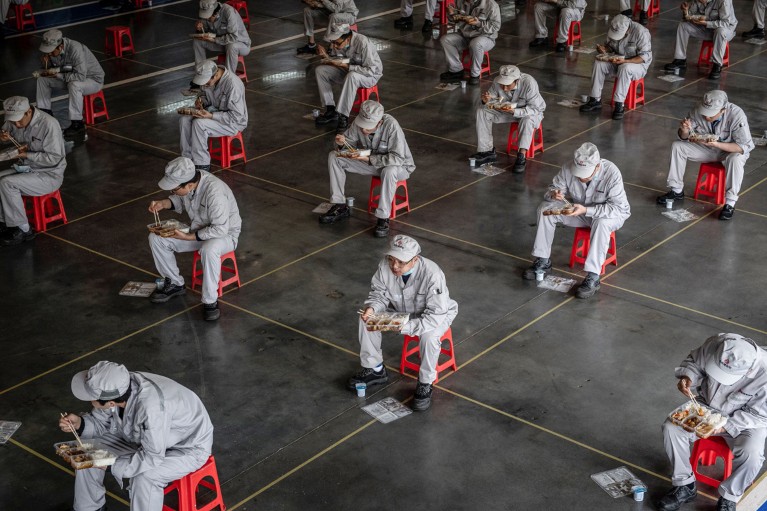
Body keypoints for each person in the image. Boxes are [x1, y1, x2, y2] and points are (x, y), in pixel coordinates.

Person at [60, 360, 214, 511]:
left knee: (145, 476)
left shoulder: (151, 408)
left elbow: (152, 457)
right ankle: (90, 508)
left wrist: (111, 465)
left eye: (91, 397)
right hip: (145, 440)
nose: (89, 400)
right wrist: (79, 424)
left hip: (186, 448)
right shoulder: (119, 386)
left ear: (111, 403)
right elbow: (101, 422)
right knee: (87, 451)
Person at [657, 333, 767, 511]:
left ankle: (730, 496)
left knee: (752, 454)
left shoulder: (765, 373)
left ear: (747, 371)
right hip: (708, 406)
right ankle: (685, 484)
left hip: (747, 420)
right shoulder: (718, 343)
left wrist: (723, 426)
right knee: (671, 428)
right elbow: (695, 361)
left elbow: (760, 415)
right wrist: (688, 377)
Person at [348, 234, 458, 411]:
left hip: (434, 315)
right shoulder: (385, 266)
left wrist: (406, 327)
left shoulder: (433, 274)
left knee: (429, 337)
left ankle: (425, 382)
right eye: (391, 259)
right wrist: (373, 308)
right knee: (367, 320)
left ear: (414, 260)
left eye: (401, 262)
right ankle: (375, 369)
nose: (394, 266)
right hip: (401, 310)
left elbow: (435, 315)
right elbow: (379, 294)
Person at [523, 142, 630, 299]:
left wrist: (587, 210)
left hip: (609, 215)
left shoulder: (612, 173)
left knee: (601, 223)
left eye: (585, 173)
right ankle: (543, 261)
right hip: (580, 211)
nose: (580, 177)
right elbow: (552, 189)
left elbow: (617, 208)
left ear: (597, 167)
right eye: (578, 172)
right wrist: (554, 194)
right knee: (545, 209)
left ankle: (593, 277)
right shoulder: (568, 168)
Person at [147, 157, 241, 321]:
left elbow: (220, 228)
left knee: (209, 249)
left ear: (189, 185)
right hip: (198, 230)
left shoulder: (214, 192)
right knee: (156, 238)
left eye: (174, 189)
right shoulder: (191, 182)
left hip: (224, 235)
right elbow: (180, 199)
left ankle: (210, 301)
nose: (172, 192)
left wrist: (189, 237)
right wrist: (163, 203)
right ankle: (175, 283)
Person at [319, 100, 415, 238]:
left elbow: (398, 158)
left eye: (368, 127)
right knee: (334, 156)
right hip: (372, 162)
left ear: (380, 122)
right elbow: (348, 142)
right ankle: (339, 205)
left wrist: (369, 158)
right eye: (362, 125)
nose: (364, 130)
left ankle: (383, 218)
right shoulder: (358, 123)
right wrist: (340, 144)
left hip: (399, 167)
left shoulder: (392, 126)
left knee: (389, 171)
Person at [656, 90, 753, 221]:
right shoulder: (697, 110)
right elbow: (685, 137)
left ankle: (730, 203)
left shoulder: (736, 115)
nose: (707, 117)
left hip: (731, 150)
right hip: (709, 149)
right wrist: (684, 129)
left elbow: (743, 146)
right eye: (705, 113)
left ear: (723, 110)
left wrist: (717, 144)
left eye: (711, 114)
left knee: (735, 159)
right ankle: (676, 190)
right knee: (677, 146)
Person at [0, 96, 66, 246]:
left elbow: (54, 158)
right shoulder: (14, 121)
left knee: (7, 183)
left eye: (18, 120)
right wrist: (2, 137)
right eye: (12, 121)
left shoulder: (49, 124)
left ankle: (24, 230)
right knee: (2, 181)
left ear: (29, 112)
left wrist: (26, 155)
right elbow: (4, 132)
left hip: (49, 174)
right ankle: (4, 223)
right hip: (25, 168)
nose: (16, 124)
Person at [470, 64, 546, 173]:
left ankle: (521, 156)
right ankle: (486, 151)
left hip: (530, 112)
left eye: (507, 85)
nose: (504, 88)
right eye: (502, 85)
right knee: (482, 111)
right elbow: (490, 100)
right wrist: (485, 100)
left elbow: (536, 108)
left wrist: (516, 111)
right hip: (508, 112)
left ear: (517, 80)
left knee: (527, 120)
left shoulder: (529, 83)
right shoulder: (497, 81)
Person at [579, 14, 652, 120]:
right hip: (618, 60)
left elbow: (643, 57)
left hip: (638, 65)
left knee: (625, 68)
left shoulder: (641, 33)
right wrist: (604, 49)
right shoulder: (613, 28)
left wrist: (625, 61)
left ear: (627, 30)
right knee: (598, 63)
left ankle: (619, 105)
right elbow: (610, 46)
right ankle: (595, 100)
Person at [36, 29, 104, 140]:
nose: (49, 54)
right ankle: (46, 116)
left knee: (74, 85)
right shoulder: (52, 52)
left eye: (52, 51)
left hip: (92, 80)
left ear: (60, 46)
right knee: (42, 79)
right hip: (69, 79)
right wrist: (46, 65)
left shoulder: (75, 49)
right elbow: (57, 70)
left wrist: (58, 75)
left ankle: (77, 124)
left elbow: (80, 76)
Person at [179, 60, 248, 172]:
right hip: (213, 112)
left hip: (233, 123)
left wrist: (211, 116)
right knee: (184, 119)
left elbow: (236, 116)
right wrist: (201, 102)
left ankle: (202, 165)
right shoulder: (209, 79)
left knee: (199, 124)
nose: (204, 85)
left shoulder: (232, 85)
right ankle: (187, 159)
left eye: (206, 82)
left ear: (215, 75)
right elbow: (205, 95)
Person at [314, 23, 383, 133]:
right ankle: (331, 110)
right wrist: (325, 56)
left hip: (369, 76)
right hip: (350, 70)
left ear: (348, 38)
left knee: (352, 76)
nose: (334, 46)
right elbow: (336, 59)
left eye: (337, 43)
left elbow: (370, 70)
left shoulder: (363, 42)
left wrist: (347, 66)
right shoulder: (339, 43)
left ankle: (343, 116)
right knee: (320, 70)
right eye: (332, 43)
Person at [663, 0, 737, 80]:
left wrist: (706, 23)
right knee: (683, 25)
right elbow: (688, 17)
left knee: (720, 31)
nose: (698, 2)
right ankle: (680, 59)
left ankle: (717, 65)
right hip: (707, 28)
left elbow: (725, 23)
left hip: (726, 30)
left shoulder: (724, 1)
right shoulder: (698, 0)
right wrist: (685, 11)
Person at [439, 0, 501, 85]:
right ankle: (456, 70)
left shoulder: (491, 4)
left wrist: (478, 24)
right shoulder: (460, 1)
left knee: (476, 43)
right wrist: (451, 14)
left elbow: (495, 27)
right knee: (445, 39)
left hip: (486, 38)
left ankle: (475, 75)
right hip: (465, 35)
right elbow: (455, 20)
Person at [193, 0, 251, 76]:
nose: (206, 19)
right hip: (221, 43)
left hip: (241, 44)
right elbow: (204, 32)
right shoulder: (206, 14)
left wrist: (215, 39)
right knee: (197, 41)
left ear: (215, 13)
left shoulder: (228, 12)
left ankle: (229, 77)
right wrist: (199, 29)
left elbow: (233, 37)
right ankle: (201, 74)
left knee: (231, 46)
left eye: (208, 17)